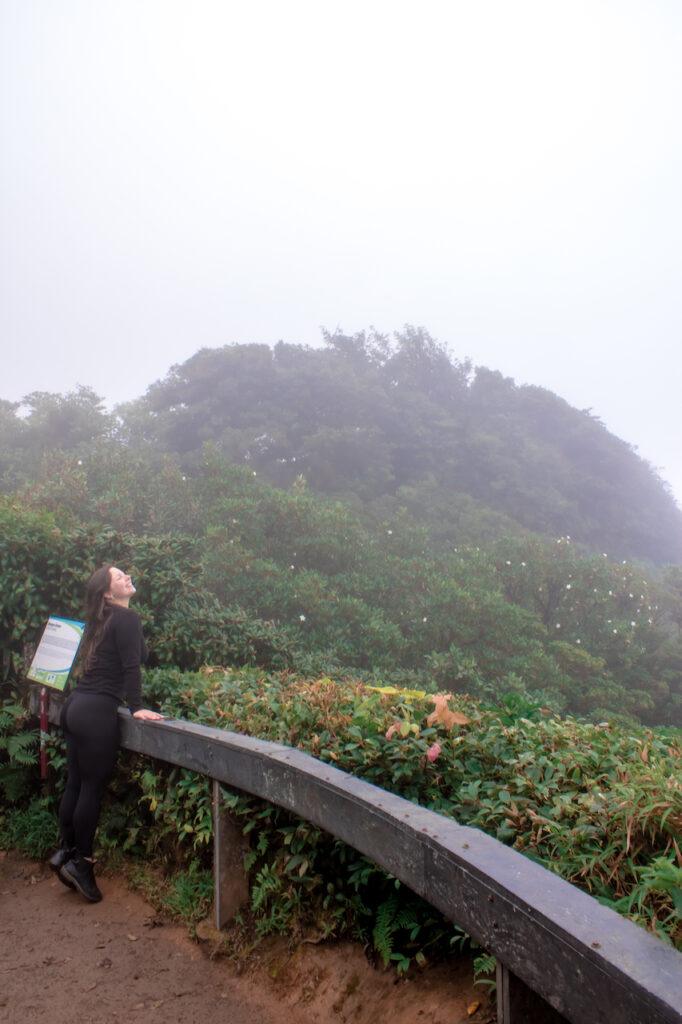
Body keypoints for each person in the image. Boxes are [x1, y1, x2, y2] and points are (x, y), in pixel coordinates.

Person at [48, 564, 164, 902]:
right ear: (107, 593)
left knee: (75, 782)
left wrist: (133, 620)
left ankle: (66, 853)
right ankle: (82, 865)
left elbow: (138, 654)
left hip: (75, 708)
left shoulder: (106, 621)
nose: (127, 576)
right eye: (118, 577)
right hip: (97, 711)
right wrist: (136, 706)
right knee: (91, 789)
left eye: (126, 572)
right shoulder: (125, 620)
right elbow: (131, 667)